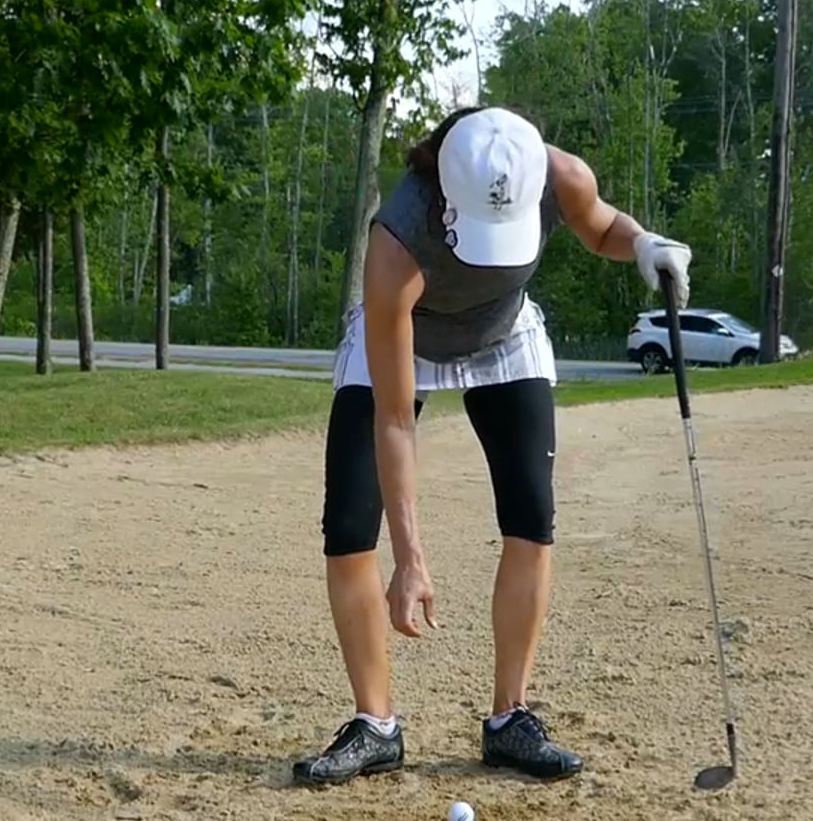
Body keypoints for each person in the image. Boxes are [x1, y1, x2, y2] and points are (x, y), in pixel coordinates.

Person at [292, 106, 692, 786]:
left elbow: (600, 228)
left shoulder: (558, 174)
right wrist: (412, 557)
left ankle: (511, 719)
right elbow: (395, 419)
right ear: (446, 188)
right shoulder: (397, 240)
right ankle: (375, 724)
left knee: (531, 517)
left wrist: (646, 244)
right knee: (350, 529)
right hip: (404, 341)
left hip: (505, 338)